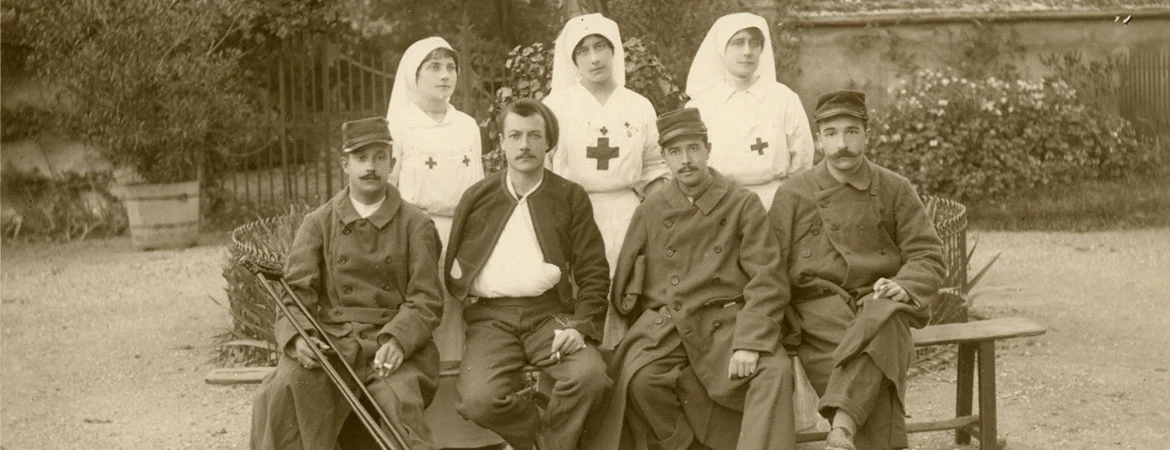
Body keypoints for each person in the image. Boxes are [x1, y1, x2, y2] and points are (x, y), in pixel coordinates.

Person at [592, 107, 796, 450]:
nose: (685, 160)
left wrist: (750, 341)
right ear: (665, 159)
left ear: (708, 149)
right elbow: (626, 285)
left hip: (731, 321)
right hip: (669, 323)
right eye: (675, 152)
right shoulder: (651, 209)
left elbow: (767, 277)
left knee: (774, 372)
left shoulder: (741, 203)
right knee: (640, 379)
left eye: (693, 149)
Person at [251, 117, 444, 450]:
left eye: (380, 157)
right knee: (287, 388)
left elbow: (426, 300)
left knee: (401, 411)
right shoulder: (319, 223)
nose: (371, 167)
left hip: (392, 349)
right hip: (332, 343)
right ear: (345, 164)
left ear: (392, 163)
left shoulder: (416, 224)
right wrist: (298, 339)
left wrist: (398, 342)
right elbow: (295, 293)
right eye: (361, 158)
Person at [767, 90, 945, 450]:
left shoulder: (894, 188)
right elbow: (769, 265)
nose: (842, 144)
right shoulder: (794, 193)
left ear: (867, 135)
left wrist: (905, 286)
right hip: (819, 309)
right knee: (878, 348)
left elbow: (928, 253)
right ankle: (847, 430)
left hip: (878, 299)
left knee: (885, 321)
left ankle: (842, 429)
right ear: (818, 141)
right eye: (831, 134)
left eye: (851, 132)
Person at [445, 98, 613, 450]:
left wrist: (580, 327)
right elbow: (456, 266)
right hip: (492, 319)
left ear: (548, 142)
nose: (525, 145)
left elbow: (594, 272)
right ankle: (541, 438)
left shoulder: (569, 196)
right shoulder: (478, 196)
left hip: (549, 315)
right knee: (477, 400)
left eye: (535, 135)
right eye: (515, 136)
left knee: (590, 377)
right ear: (502, 143)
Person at [543, 13, 669, 272]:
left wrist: (656, 223)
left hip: (627, 216)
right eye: (583, 50)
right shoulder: (555, 107)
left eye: (601, 46)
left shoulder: (638, 106)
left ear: (614, 50)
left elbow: (653, 170)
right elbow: (542, 170)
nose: (594, 58)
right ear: (573, 59)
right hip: (573, 216)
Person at [386, 36, 484, 365]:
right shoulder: (400, 126)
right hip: (418, 233)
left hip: (463, 232)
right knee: (424, 306)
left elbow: (479, 185)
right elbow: (389, 187)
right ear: (415, 75)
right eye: (434, 67)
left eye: (450, 67)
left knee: (458, 310)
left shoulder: (467, 125)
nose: (445, 75)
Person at [685, 12, 814, 209]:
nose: (747, 51)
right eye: (738, 43)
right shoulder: (701, 105)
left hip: (773, 203)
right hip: (718, 205)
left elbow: (802, 160)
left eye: (754, 43)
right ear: (722, 49)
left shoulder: (784, 98)